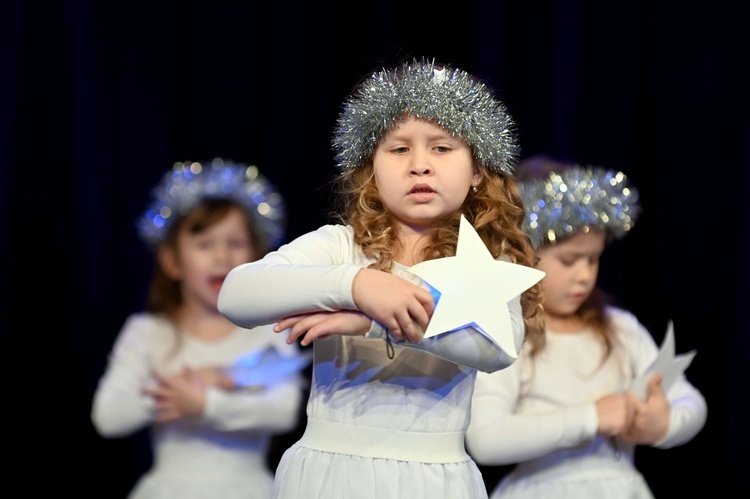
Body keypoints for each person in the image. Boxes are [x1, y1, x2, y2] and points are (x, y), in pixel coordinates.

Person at [217, 58, 545, 499]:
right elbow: (237, 294)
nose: (420, 165)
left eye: (442, 148)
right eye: (399, 149)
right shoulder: (339, 246)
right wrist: (356, 286)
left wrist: (371, 319)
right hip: (326, 474)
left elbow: (498, 347)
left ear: (477, 172)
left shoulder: (487, 260)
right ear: (371, 168)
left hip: (434, 479)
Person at [465, 154, 708, 498]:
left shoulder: (620, 329)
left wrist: (663, 424)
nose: (584, 275)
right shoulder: (511, 335)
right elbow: (484, 439)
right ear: (521, 255)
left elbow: (691, 402)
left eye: (592, 259)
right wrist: (591, 417)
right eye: (568, 260)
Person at [91, 158, 308, 499]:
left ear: (256, 256)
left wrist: (206, 404)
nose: (221, 256)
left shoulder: (271, 329)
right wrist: (183, 387)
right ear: (173, 260)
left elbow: (284, 411)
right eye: (204, 245)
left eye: (235, 243)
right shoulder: (147, 332)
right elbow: (108, 417)